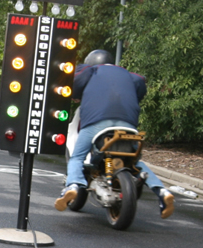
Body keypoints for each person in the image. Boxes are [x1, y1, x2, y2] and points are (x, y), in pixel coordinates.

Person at [55, 49, 174, 219]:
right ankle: (162, 192)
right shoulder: (128, 74)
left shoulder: (90, 70)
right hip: (128, 124)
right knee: (136, 163)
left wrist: (75, 95)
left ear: (92, 62)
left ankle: (72, 186)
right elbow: (140, 86)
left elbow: (75, 82)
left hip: (98, 122)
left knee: (77, 157)